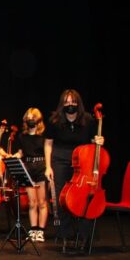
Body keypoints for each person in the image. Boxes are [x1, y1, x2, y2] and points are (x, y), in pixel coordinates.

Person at [44, 89, 104, 247]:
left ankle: (84, 234)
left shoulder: (89, 120)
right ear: (62, 104)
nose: (70, 104)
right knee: (62, 197)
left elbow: (93, 142)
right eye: (67, 102)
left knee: (85, 197)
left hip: (83, 161)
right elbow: (48, 144)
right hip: (60, 160)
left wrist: (99, 141)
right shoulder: (54, 120)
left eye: (73, 102)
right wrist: (48, 167)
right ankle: (65, 234)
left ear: (78, 103)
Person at [10, 108, 48, 242]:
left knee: (42, 202)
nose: (30, 119)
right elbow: (20, 153)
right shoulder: (22, 136)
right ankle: (33, 229)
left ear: (38, 119)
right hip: (28, 168)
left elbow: (48, 153)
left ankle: (41, 231)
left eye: (33, 117)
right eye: (28, 117)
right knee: (32, 202)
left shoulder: (43, 135)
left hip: (41, 167)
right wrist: (10, 156)